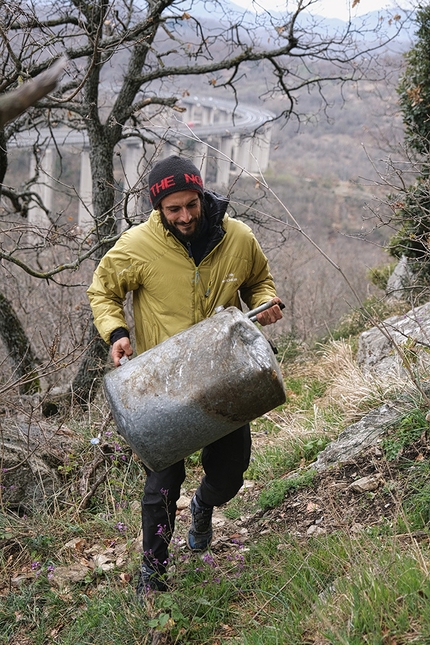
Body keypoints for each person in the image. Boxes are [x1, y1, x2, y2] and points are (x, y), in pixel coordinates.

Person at [87, 154, 283, 594]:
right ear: (159, 208)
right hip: (164, 389)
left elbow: (260, 282)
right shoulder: (137, 245)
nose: (185, 216)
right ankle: (152, 576)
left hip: (226, 378)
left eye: (191, 204)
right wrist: (116, 332)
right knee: (160, 486)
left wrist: (267, 303)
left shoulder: (238, 237)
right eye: (173, 209)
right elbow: (102, 290)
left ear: (201, 195)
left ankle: (203, 504)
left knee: (230, 474)